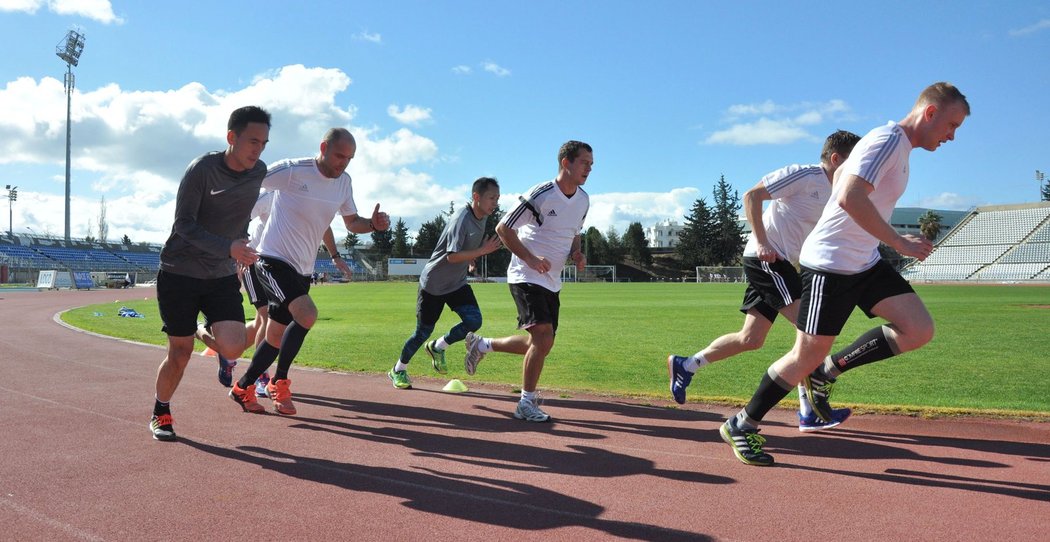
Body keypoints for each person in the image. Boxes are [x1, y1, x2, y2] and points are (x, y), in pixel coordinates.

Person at [720, 82, 970, 466]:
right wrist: (898, 243)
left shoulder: (901, 150)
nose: (952, 136)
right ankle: (743, 423)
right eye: (951, 125)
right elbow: (848, 196)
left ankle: (828, 372)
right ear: (930, 113)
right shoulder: (887, 140)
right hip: (830, 264)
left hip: (864, 261)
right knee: (804, 353)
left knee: (918, 329)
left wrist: (886, 243)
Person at [668, 130, 861, 432]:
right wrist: (761, 243)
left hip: (781, 264)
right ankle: (808, 411)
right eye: (855, 161)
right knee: (812, 333)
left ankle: (686, 365)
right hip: (767, 260)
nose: (860, 168)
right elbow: (752, 195)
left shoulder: (839, 193)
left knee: (751, 339)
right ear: (836, 159)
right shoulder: (804, 175)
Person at [228, 127, 389, 416]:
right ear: (323, 147)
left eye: (350, 158)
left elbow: (352, 223)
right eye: (339, 155)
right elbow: (249, 179)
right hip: (271, 259)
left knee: (276, 337)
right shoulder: (293, 170)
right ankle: (280, 382)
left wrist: (374, 225)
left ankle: (243, 386)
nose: (343, 163)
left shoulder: (344, 183)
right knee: (307, 314)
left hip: (303, 269)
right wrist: (237, 235)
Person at [149, 105, 271, 441]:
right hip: (179, 271)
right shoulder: (202, 169)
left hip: (219, 275)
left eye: (263, 143)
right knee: (180, 354)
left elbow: (247, 211)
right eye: (252, 141)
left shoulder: (258, 171)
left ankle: (202, 330)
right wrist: (228, 247)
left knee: (232, 349)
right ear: (231, 137)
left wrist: (240, 242)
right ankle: (161, 411)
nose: (257, 150)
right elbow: (183, 225)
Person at [463, 141, 591, 422]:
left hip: (552, 281)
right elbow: (503, 228)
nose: (589, 169)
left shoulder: (583, 199)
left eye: (591, 165)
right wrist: (531, 259)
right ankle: (526, 403)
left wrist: (577, 253)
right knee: (543, 338)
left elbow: (575, 232)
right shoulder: (542, 194)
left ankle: (482, 345)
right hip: (525, 275)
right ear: (566, 163)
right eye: (585, 163)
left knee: (541, 344)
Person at [205, 190, 343, 398]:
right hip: (255, 260)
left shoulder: (308, 199)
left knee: (273, 322)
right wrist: (237, 248)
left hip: (288, 268)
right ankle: (260, 377)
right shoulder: (271, 194)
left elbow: (323, 225)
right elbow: (240, 216)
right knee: (265, 316)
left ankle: (229, 353)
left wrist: (335, 255)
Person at [388, 177, 503, 389]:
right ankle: (398, 369)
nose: (495, 203)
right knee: (421, 333)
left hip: (456, 283)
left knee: (473, 320)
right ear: (476, 197)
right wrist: (481, 251)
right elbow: (451, 256)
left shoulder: (482, 217)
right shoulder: (461, 219)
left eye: (497, 198)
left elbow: (465, 249)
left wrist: (471, 259)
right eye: (491, 198)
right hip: (433, 284)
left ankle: (438, 347)